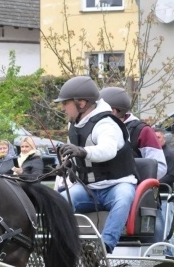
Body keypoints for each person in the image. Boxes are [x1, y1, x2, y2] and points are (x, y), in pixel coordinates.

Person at [53, 75, 137, 253]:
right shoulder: (74, 125)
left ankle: (104, 247)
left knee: (123, 198)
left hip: (117, 185)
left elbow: (108, 150)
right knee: (59, 201)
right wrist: (68, 164)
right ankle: (59, 245)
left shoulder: (106, 124)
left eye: (65, 103)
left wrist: (82, 152)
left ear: (81, 103)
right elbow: (75, 154)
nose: (62, 108)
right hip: (88, 189)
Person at [99, 86, 167, 179]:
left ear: (113, 111)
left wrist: (132, 179)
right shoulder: (98, 129)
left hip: (132, 184)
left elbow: (159, 167)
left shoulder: (142, 131)